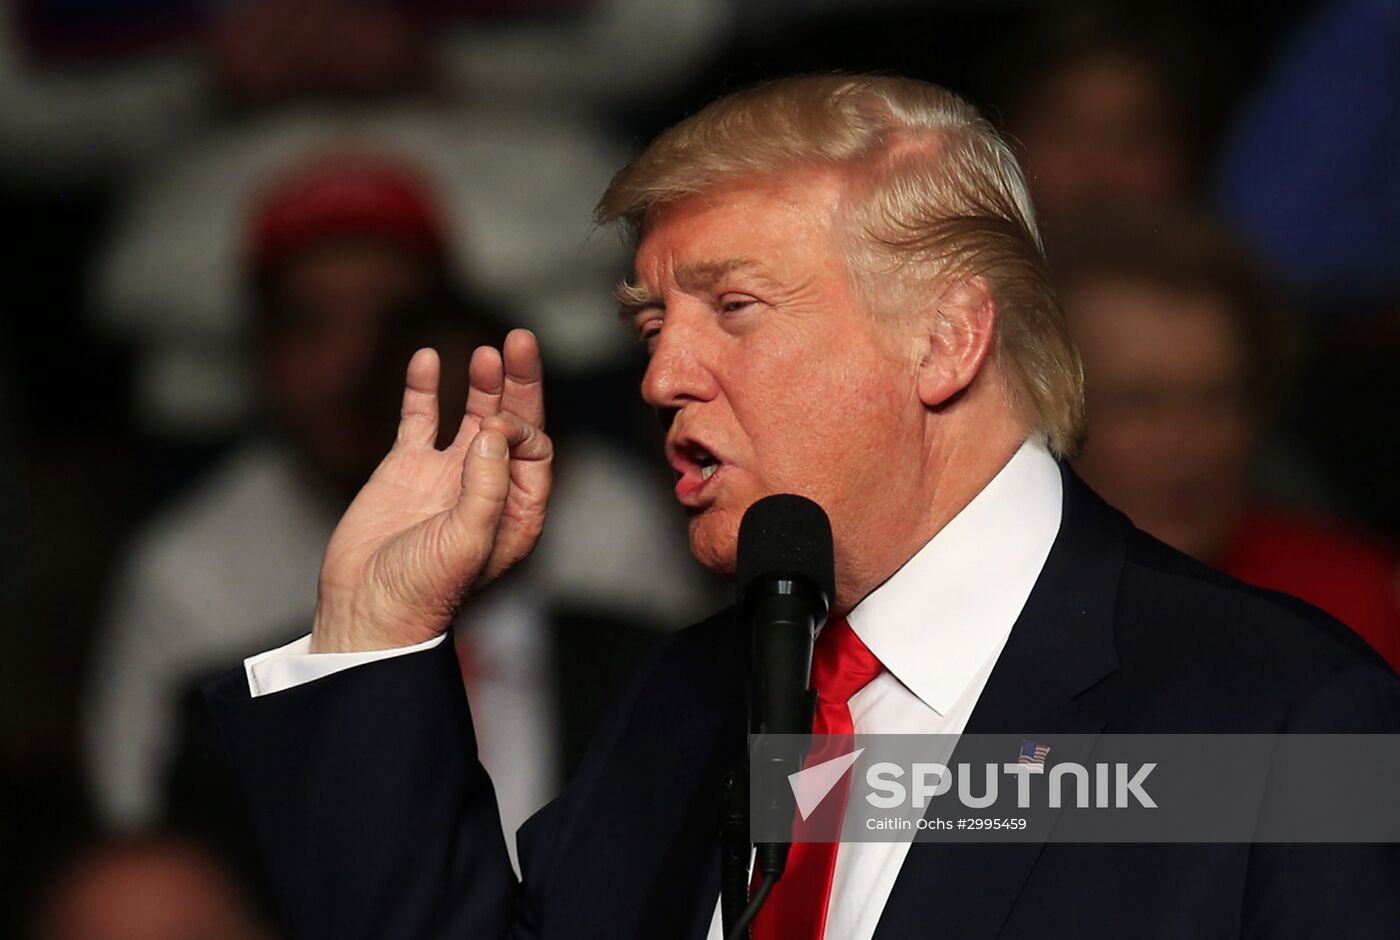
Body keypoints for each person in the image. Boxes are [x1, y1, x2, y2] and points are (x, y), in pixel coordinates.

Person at [206, 75, 1400, 939]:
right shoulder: (685, 707)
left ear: (945, 337)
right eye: (650, 321)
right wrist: (373, 623)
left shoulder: (1280, 722)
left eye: (731, 306)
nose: (661, 373)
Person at [1052, 208, 1400, 672]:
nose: (1184, 446)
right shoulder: (985, 608)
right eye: (1139, 404)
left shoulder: (1351, 602)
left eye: (1216, 402)